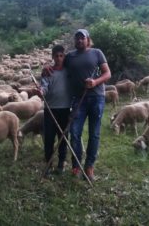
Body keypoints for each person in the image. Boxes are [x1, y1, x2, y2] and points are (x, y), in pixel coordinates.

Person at [63, 29, 111, 181]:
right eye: (77, 38)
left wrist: (95, 82)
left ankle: (89, 166)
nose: (79, 41)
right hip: (78, 99)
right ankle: (76, 164)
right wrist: (47, 70)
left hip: (96, 97)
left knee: (94, 133)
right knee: (75, 133)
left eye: (82, 38)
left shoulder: (97, 53)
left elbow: (107, 73)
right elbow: (59, 69)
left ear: (88, 40)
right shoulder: (69, 57)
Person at [39, 45, 72, 176]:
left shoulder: (69, 71)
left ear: (64, 56)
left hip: (65, 109)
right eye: (56, 56)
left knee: (63, 137)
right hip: (50, 109)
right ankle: (48, 164)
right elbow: (44, 86)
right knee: (49, 138)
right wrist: (41, 91)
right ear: (52, 57)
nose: (59, 58)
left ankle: (61, 163)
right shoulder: (48, 72)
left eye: (61, 56)